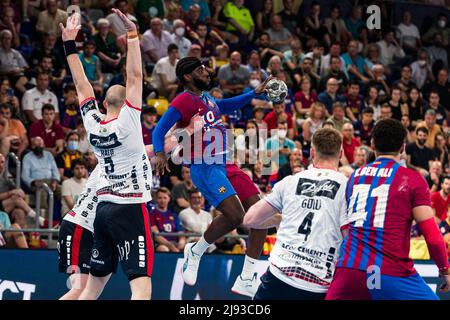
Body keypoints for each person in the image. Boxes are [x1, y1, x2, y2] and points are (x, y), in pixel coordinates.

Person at [152, 56, 271, 297]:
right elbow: (159, 129)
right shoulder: (183, 100)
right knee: (236, 215)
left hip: (226, 162)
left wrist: (253, 93)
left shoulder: (206, 98)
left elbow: (225, 105)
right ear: (188, 76)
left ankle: (247, 276)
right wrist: (159, 153)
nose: (207, 72)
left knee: (261, 215)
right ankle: (196, 251)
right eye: (201, 69)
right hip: (205, 166)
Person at [61, 11, 153, 300]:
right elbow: (135, 75)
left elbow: (81, 85)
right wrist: (133, 35)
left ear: (103, 102)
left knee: (93, 288)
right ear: (128, 102)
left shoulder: (92, 123)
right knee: (140, 284)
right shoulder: (129, 121)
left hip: (103, 210)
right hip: (129, 207)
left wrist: (69, 45)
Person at [326, 119, 450, 300]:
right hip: (391, 273)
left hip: (349, 269)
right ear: (402, 147)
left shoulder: (355, 176)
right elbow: (432, 237)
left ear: (373, 144)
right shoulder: (412, 179)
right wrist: (444, 270)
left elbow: (344, 227)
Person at [244, 128, 348, 300]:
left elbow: (250, 219)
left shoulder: (290, 181)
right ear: (341, 153)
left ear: (312, 152)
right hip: (318, 283)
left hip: (279, 276)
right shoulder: (347, 187)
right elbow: (349, 238)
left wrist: (280, 220)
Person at [149, 187, 186, 253]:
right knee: (164, 249)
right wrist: (170, 246)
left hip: (175, 242)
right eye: (160, 198)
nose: (162, 200)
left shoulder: (173, 214)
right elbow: (156, 235)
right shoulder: (152, 214)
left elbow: (181, 232)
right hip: (160, 243)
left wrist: (181, 242)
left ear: (169, 199)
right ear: (156, 199)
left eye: (165, 198)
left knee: (188, 247)